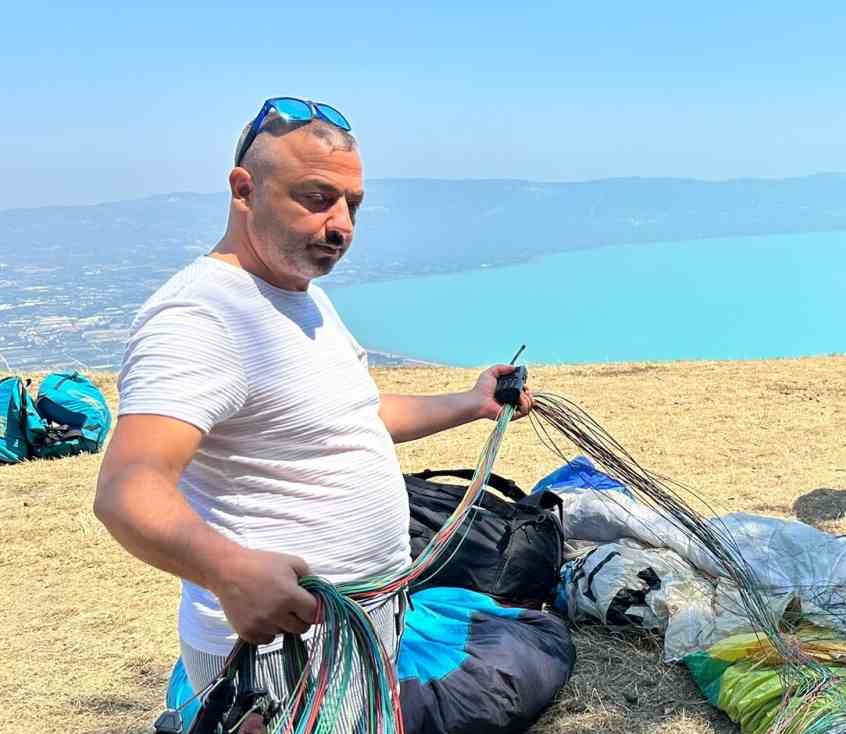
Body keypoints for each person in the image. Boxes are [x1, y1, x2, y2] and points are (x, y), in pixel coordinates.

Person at [95, 98, 534, 699]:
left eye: (352, 205)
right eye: (316, 198)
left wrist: (470, 400)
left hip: (363, 620)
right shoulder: (200, 317)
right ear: (244, 190)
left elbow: (353, 414)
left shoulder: (299, 295)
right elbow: (127, 486)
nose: (342, 226)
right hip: (276, 654)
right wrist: (226, 570)